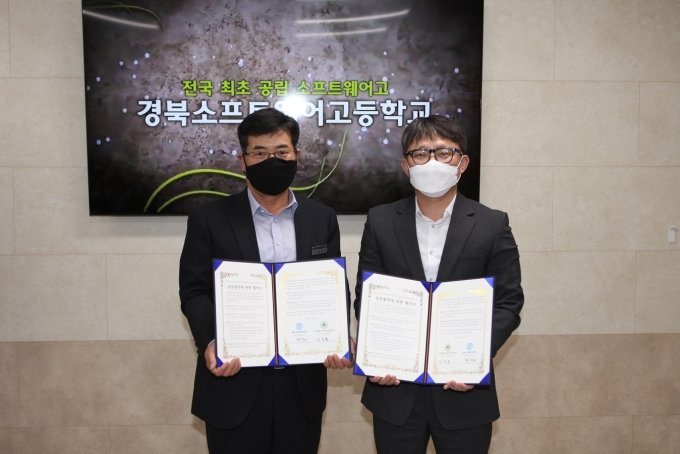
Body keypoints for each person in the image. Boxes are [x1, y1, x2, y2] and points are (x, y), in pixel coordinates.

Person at [179, 107, 351, 454]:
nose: (272, 161)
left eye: (281, 152)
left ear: (296, 155)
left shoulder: (321, 218)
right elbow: (194, 290)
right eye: (259, 153)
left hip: (301, 386)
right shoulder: (209, 218)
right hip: (234, 384)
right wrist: (210, 341)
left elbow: (333, 286)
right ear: (242, 160)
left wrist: (337, 336)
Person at [354, 115, 524, 454]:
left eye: (444, 152)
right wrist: (379, 357)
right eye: (421, 153)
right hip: (396, 392)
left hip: (464, 393)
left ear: (463, 163)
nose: (432, 161)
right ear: (406, 165)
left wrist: (474, 359)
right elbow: (367, 296)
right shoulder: (381, 220)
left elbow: (508, 302)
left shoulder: (491, 224)